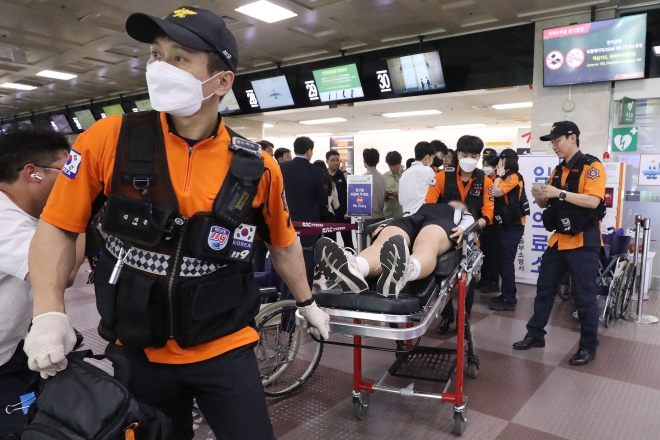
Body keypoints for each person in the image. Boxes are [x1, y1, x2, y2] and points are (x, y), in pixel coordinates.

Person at [22, 8, 330, 440]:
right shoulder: (110, 139)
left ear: (222, 81)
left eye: (179, 58)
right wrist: (49, 312)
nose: (159, 68)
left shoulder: (257, 166)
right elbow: (57, 227)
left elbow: (282, 243)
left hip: (226, 346)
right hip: (138, 349)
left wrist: (306, 301)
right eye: (155, 54)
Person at [0, 127, 85, 437]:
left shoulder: (21, 214)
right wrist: (77, 206)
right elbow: (64, 272)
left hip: (12, 351)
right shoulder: (3, 220)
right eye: (67, 171)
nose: (72, 179)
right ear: (32, 173)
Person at [513, 121, 605, 366]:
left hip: (584, 242)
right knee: (544, 290)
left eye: (557, 140)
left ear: (572, 138)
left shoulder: (592, 166)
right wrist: (541, 198)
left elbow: (593, 202)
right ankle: (535, 334)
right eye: (551, 142)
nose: (554, 145)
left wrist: (560, 193)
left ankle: (588, 347)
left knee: (584, 296)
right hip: (558, 241)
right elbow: (549, 204)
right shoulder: (557, 171)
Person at [315, 201, 473, 297]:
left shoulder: (463, 211)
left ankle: (406, 269)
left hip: (442, 222)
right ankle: (354, 267)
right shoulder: (422, 203)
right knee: (385, 241)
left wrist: (464, 230)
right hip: (412, 219)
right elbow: (406, 215)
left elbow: (470, 223)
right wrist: (385, 225)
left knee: (427, 242)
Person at [425, 135, 494, 334]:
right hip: (444, 237)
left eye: (474, 155)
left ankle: (464, 319)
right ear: (457, 154)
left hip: (472, 238)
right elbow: (429, 205)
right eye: (465, 154)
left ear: (479, 157)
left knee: (468, 282)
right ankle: (446, 316)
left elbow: (488, 213)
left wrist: (470, 229)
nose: (469, 159)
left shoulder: (485, 181)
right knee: (442, 280)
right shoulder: (441, 177)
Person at [280, 137, 328, 289]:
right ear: (309, 151)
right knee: (307, 256)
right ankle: (305, 295)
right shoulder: (317, 171)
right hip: (309, 223)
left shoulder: (281, 168)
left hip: (284, 220)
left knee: (284, 256)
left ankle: (284, 291)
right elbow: (322, 198)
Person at [487, 149, 529, 311]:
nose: (498, 163)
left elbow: (496, 191)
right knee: (503, 261)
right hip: (505, 224)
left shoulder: (513, 176)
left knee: (506, 262)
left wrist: (497, 176)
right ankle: (506, 294)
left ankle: (509, 299)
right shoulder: (506, 176)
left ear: (505, 161)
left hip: (514, 225)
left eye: (500, 160)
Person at [475, 148, 500, 294]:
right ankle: (484, 279)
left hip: (494, 223)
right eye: (484, 164)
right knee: (483, 252)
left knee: (492, 254)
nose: (486, 168)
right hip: (483, 222)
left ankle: (493, 281)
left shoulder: (497, 180)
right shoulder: (482, 179)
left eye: (488, 165)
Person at [399, 142, 436, 217]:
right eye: (432, 158)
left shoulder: (405, 173)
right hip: (422, 214)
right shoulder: (427, 170)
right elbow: (436, 190)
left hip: (406, 215)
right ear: (427, 158)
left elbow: (400, 200)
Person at [326, 150, 353, 248]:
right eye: (332, 160)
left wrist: (344, 171)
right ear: (327, 161)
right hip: (329, 214)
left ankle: (352, 260)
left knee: (348, 241)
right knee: (331, 242)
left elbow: (352, 185)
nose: (335, 162)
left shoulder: (342, 174)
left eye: (337, 160)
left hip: (343, 213)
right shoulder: (324, 175)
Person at [362, 148, 387, 220]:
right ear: (378, 161)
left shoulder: (361, 179)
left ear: (364, 160)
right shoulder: (382, 178)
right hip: (380, 217)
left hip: (366, 217)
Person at [383, 151, 404, 219]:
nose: (392, 168)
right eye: (390, 165)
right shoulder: (384, 177)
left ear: (400, 163)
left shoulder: (406, 175)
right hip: (388, 214)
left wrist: (399, 195)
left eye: (394, 165)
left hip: (403, 213)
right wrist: (385, 194)